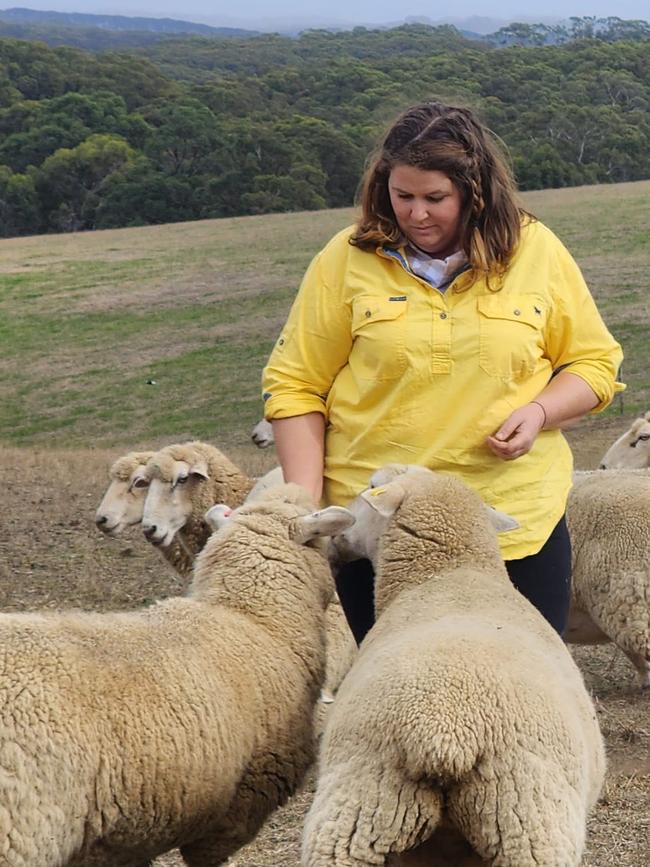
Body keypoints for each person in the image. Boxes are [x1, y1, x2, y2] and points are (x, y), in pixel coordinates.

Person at [261, 100, 624, 644]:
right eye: (401, 196)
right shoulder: (345, 259)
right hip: (379, 528)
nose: (416, 214)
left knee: (523, 694)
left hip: (512, 523)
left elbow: (593, 363)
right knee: (405, 698)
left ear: (476, 193)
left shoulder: (536, 251)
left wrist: (540, 411)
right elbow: (294, 386)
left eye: (436, 198)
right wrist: (307, 509)